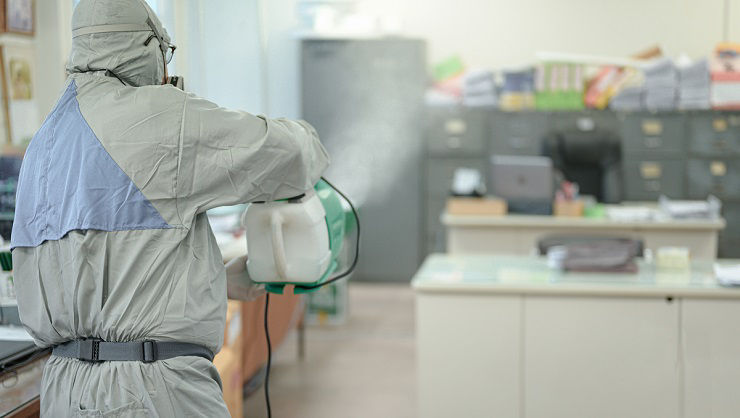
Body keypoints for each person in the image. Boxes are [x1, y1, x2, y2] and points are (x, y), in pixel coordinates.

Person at [10, 0, 329, 416]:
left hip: (64, 390)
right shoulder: (157, 116)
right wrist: (308, 135)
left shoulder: (43, 144)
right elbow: (291, 156)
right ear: (149, 46)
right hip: (151, 391)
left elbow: (98, 269)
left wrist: (212, 278)